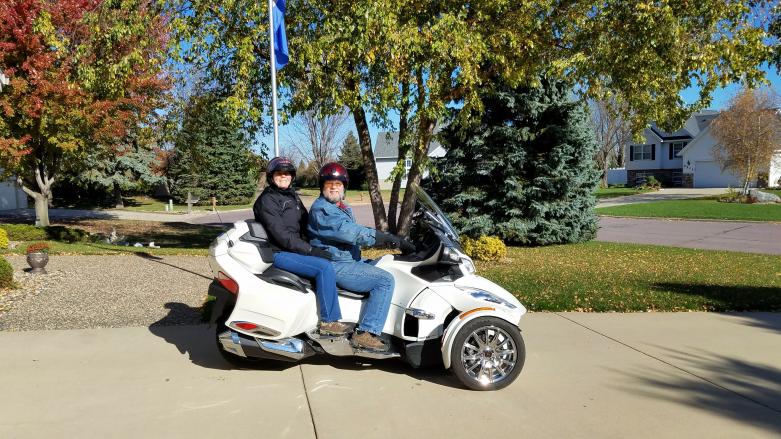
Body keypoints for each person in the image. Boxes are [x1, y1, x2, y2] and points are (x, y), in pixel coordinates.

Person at [307, 162, 414, 351]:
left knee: (388, 262)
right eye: (329, 183)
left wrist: (394, 242)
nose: (333, 187)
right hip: (336, 264)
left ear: (344, 187)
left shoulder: (341, 207)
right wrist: (385, 238)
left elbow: (355, 231)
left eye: (338, 184)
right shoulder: (322, 210)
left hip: (349, 259)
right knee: (385, 280)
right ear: (322, 186)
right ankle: (366, 333)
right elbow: (350, 232)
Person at [253, 157, 349, 336]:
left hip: (295, 249)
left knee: (330, 257)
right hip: (278, 252)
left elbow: (306, 223)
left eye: (287, 173)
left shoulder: (291, 196)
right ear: (271, 176)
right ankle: (329, 322)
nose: (284, 176)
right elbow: (281, 235)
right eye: (279, 173)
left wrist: (325, 240)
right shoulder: (267, 200)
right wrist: (311, 251)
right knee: (324, 268)